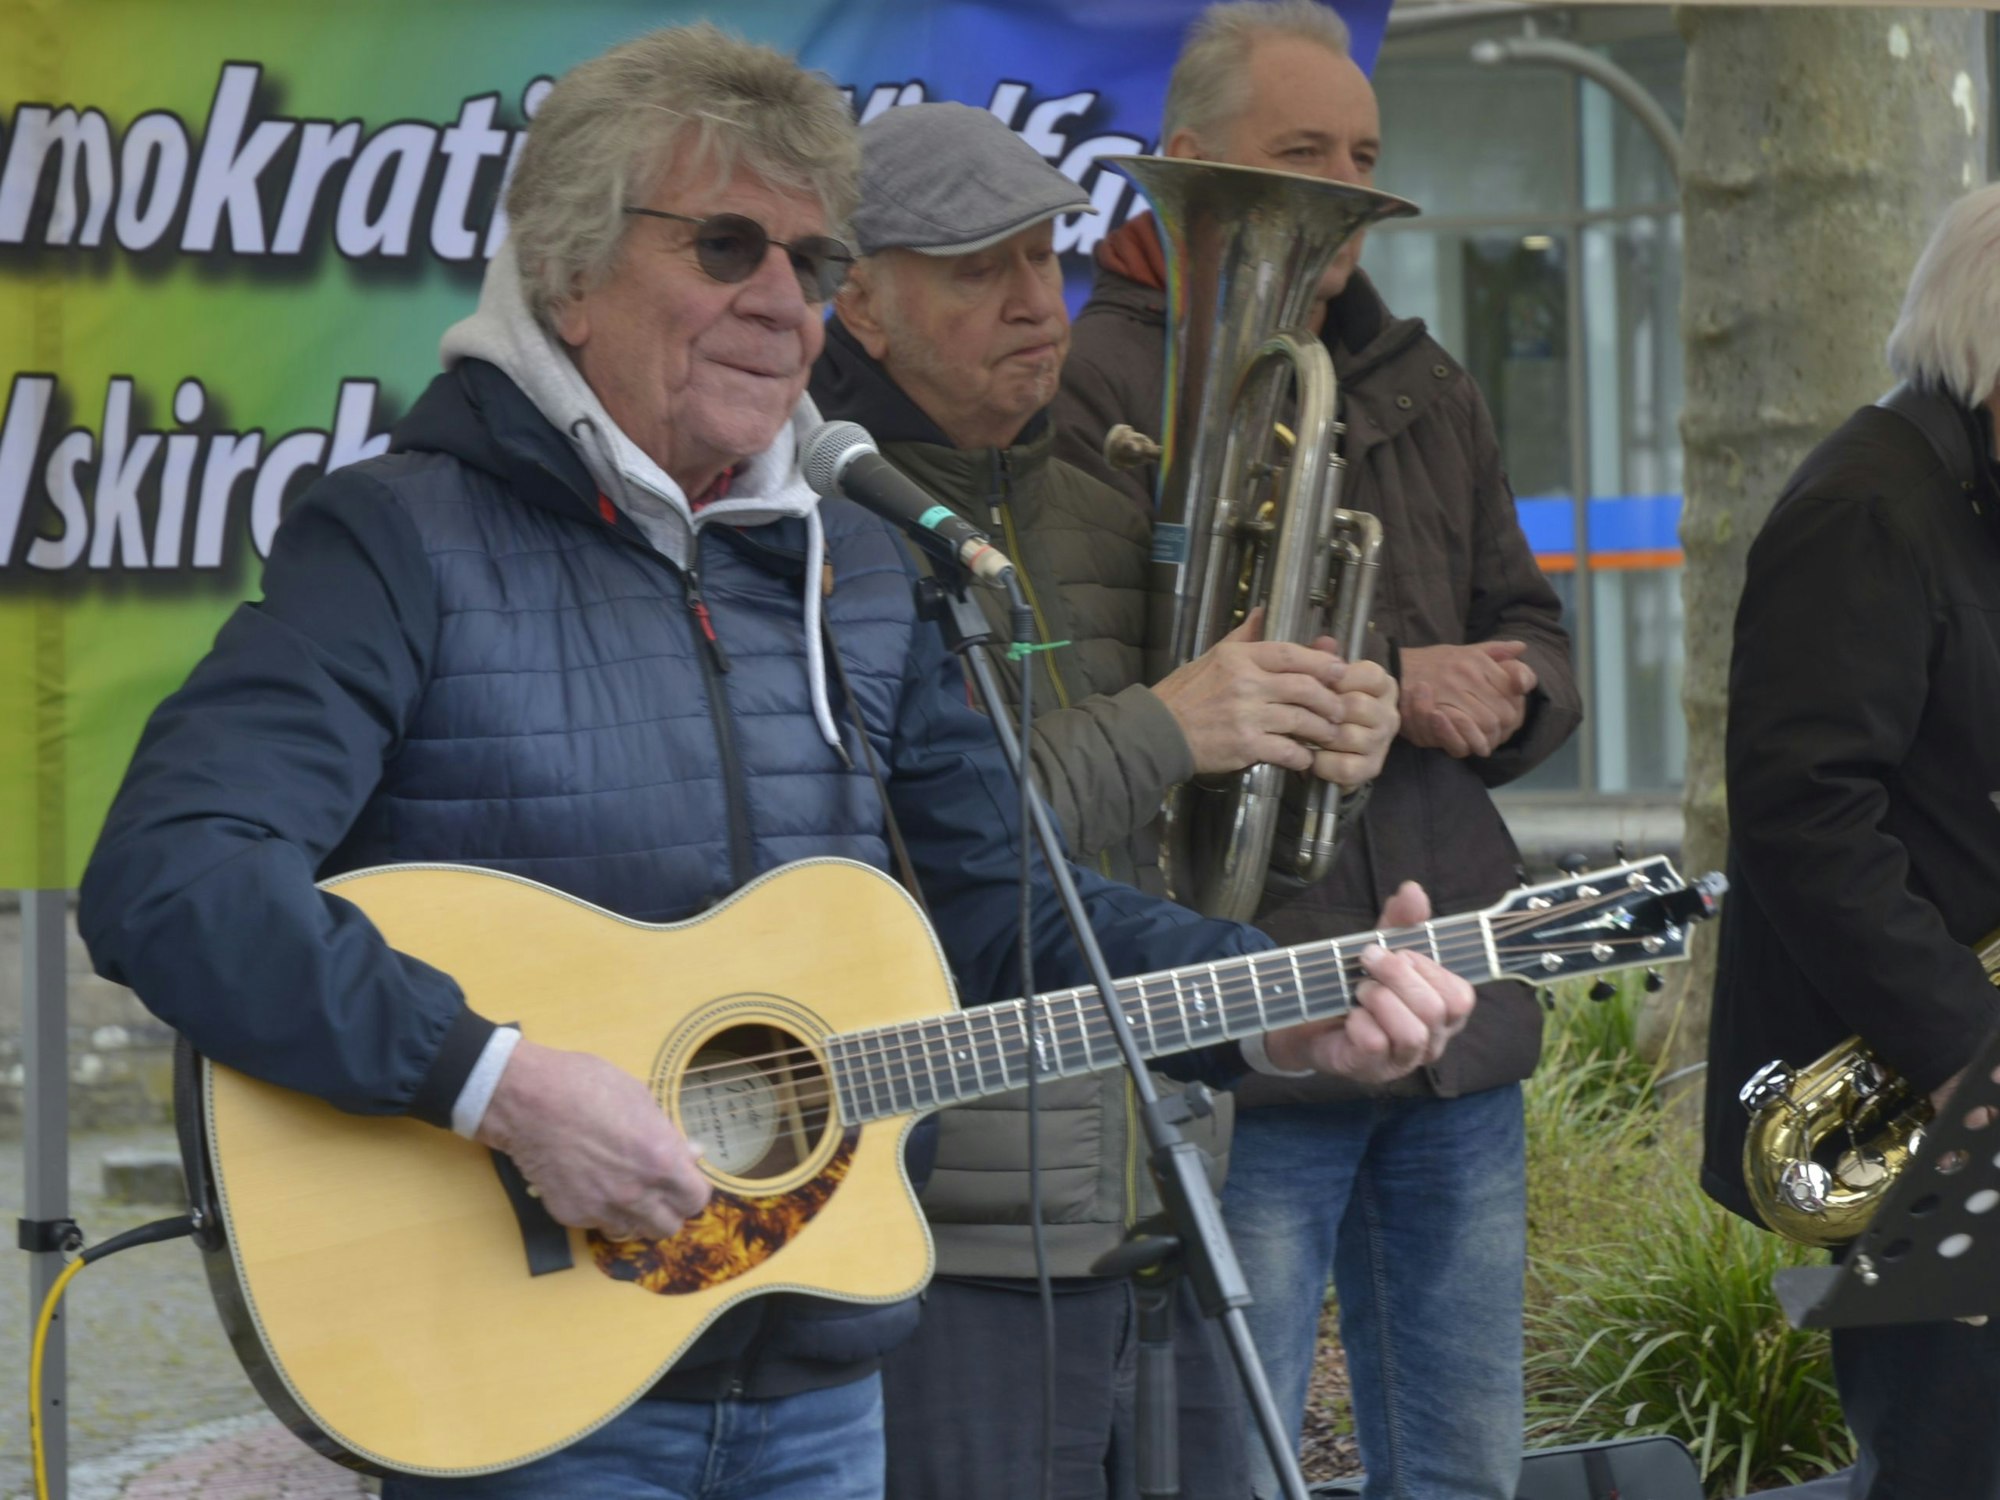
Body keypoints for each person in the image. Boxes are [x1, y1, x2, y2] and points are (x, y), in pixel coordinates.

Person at [78, 25, 1476, 1500]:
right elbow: (172, 878)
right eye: (726, 245)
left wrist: (1277, 1012)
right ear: (567, 267)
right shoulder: (399, 541)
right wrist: (499, 1087)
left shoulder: (862, 571)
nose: (778, 301)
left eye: (811, 264)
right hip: (526, 1386)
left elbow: (1005, 904)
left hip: (813, 1375)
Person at [808, 101, 1402, 1498]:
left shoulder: (1107, 511)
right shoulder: (824, 539)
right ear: (860, 300)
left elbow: (1192, 857)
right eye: (980, 270)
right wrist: (1170, 724)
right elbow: (909, 851)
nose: (1037, 304)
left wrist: (1319, 735)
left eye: (1046, 259)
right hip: (957, 1234)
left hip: (1168, 1187)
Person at [1054, 4, 1583, 1496]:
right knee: (1236, 1467)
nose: (1345, 190)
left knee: (1465, 1471)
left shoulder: (1424, 380)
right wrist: (1393, 681)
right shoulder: (1091, 380)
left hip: (1448, 999)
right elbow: (1111, 693)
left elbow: (1536, 636)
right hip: (1249, 1008)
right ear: (1192, 156)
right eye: (1304, 156)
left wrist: (1512, 691)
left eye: (1363, 154)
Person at [1703, 183, 2000, 1500]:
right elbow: (1803, 817)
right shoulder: (1868, 505)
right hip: (1916, 1089)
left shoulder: (1968, 497)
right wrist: (1970, 1054)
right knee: (1951, 1463)